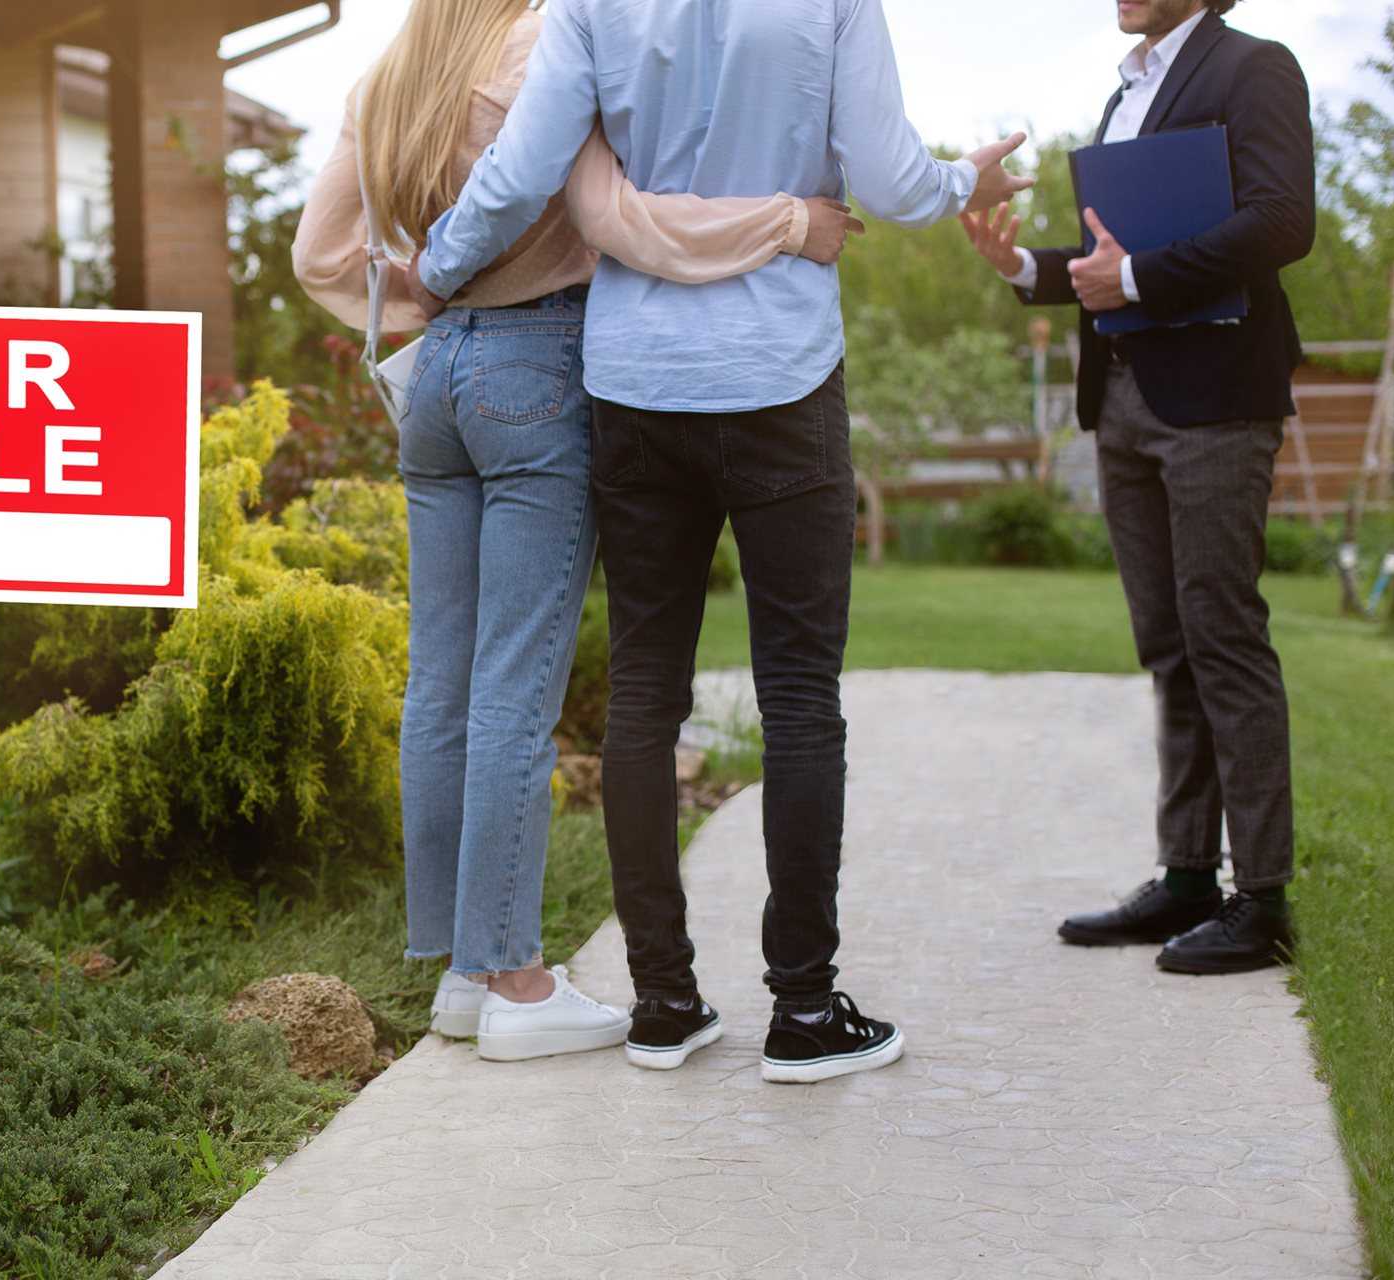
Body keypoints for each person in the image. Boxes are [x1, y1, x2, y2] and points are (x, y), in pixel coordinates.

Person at [407, 0, 1032, 1079]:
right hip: (780, 373)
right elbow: (886, 178)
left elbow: (520, 170)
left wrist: (439, 263)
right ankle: (801, 1010)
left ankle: (663, 1001)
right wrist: (959, 180)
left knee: (648, 688)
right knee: (799, 692)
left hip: (636, 379)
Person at [292, 0, 865, 1063]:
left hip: (435, 387)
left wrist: (425, 300)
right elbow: (625, 220)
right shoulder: (536, 46)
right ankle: (515, 974)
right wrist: (788, 223)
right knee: (517, 677)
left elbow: (320, 252)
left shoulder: (389, 72)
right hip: (534, 366)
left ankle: (463, 972)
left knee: (442, 679)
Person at [961, 0, 1314, 974]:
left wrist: (1146, 278)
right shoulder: (1130, 87)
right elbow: (1109, 258)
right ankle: (1189, 873)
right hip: (1119, 399)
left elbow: (1285, 221)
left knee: (1223, 635)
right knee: (1169, 646)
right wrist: (1026, 265)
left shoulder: (1254, 67)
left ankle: (1264, 896)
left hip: (1212, 399)